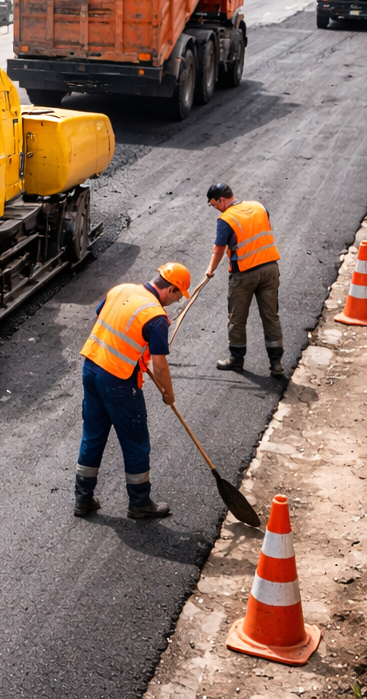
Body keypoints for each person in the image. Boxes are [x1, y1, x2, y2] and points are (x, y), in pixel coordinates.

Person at [74, 263, 191, 520]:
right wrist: (167, 393)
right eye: (178, 295)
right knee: (136, 441)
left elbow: (103, 319)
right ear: (170, 288)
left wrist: (131, 351)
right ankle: (139, 503)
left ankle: (82, 499)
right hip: (118, 381)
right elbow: (159, 365)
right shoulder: (156, 317)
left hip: (91, 369)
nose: (176, 301)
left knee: (93, 435)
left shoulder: (121, 289)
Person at [204, 184, 284, 376]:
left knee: (237, 318)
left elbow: (219, 249)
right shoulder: (258, 206)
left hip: (244, 273)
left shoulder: (226, 219)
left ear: (221, 199)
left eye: (214, 204)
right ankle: (276, 364)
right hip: (270, 268)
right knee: (271, 316)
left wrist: (210, 269)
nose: (214, 207)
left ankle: (236, 360)